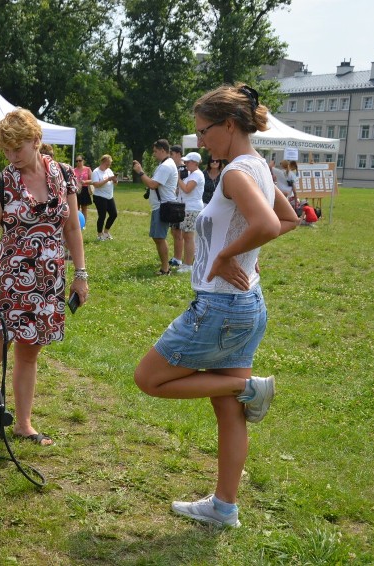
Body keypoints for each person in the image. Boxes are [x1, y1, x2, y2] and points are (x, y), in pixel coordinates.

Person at [134, 84, 299, 528]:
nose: (200, 140)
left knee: (148, 378)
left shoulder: (234, 174)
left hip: (221, 308)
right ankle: (224, 508)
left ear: (229, 125)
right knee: (228, 409)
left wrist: (228, 256)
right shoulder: (258, 168)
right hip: (247, 305)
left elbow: (269, 222)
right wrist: (245, 251)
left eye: (204, 131)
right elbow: (289, 219)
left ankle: (248, 388)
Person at [0, 108, 88, 447]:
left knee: (29, 353)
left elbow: (72, 227)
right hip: (8, 280)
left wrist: (81, 274)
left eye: (17, 148)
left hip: (48, 278)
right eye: (6, 150)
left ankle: (23, 424)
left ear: (36, 140)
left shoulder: (65, 175)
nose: (11, 156)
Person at [133, 139, 178, 275]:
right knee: (157, 237)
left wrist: (140, 172)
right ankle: (165, 267)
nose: (154, 154)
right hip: (161, 205)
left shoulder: (166, 166)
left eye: (155, 151)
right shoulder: (164, 164)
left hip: (163, 206)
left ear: (163, 150)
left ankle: (165, 269)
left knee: (159, 237)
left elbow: (153, 184)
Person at [173, 152, 205, 274]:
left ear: (195, 163)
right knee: (186, 235)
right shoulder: (191, 175)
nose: (185, 164)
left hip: (192, 208)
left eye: (188, 162)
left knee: (188, 236)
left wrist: (178, 178)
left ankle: (188, 264)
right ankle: (187, 263)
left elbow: (187, 189)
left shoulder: (197, 175)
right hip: (187, 207)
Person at [91, 154, 119, 241]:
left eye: (110, 164)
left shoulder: (109, 170)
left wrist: (115, 180)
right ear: (103, 162)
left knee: (114, 214)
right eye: (108, 163)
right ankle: (99, 235)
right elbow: (96, 185)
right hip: (99, 197)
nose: (109, 165)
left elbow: (116, 183)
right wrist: (108, 179)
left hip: (109, 196)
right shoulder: (96, 172)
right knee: (102, 216)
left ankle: (106, 232)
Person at [73, 155, 94, 226]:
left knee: (84, 208)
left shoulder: (87, 169)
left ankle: (84, 224)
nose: (78, 162)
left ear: (83, 161)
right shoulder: (74, 170)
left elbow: (93, 180)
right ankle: (76, 223)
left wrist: (85, 182)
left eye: (80, 160)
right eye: (77, 161)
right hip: (76, 190)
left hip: (85, 189)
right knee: (76, 208)